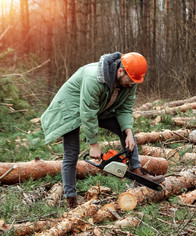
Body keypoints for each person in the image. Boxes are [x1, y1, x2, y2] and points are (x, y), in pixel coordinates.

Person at [41, 52, 164, 209]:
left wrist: (128, 132)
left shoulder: (130, 81)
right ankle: (71, 198)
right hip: (70, 109)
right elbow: (87, 112)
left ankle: (136, 171)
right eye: (130, 80)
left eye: (135, 82)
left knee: (125, 131)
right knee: (71, 153)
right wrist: (93, 144)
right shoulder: (95, 78)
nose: (132, 85)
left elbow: (125, 109)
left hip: (99, 108)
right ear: (120, 71)